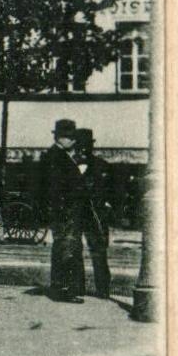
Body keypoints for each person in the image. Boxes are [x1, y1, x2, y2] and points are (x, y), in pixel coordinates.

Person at [36, 117, 88, 302]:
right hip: (65, 211)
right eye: (69, 137)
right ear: (60, 138)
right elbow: (56, 188)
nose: (73, 140)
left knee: (63, 248)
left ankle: (62, 287)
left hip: (65, 211)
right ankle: (66, 290)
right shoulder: (56, 158)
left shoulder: (58, 156)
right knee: (67, 250)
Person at [74, 127, 113, 298]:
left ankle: (103, 290)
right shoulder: (68, 165)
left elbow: (113, 191)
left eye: (86, 146)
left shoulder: (102, 166)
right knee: (74, 250)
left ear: (91, 147)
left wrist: (107, 205)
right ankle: (77, 287)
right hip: (74, 213)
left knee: (99, 251)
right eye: (80, 146)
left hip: (96, 215)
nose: (83, 150)